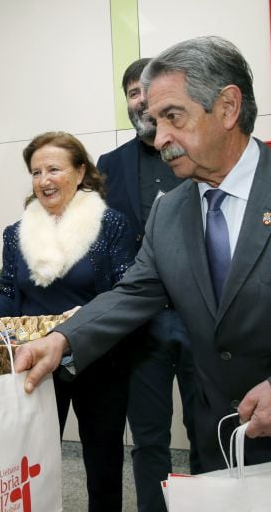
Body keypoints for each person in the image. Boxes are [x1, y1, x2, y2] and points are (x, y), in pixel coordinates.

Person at [14, 36, 271, 472]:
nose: (159, 138)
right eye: (153, 122)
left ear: (228, 107)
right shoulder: (169, 212)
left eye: (172, 117)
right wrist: (62, 339)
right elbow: (132, 293)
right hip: (216, 449)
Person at [0, 131, 136, 511]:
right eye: (36, 172)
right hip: (34, 363)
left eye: (53, 169)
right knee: (31, 463)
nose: (43, 180)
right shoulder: (16, 234)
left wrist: (82, 318)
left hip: (98, 359)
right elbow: (10, 294)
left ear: (81, 171)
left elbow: (124, 292)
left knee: (103, 465)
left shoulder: (112, 224)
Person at [97, 58, 198, 511]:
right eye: (132, 94)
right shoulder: (109, 165)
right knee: (149, 439)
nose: (140, 101)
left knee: (210, 428)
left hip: (202, 316)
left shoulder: (195, 146)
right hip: (142, 325)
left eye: (146, 90)